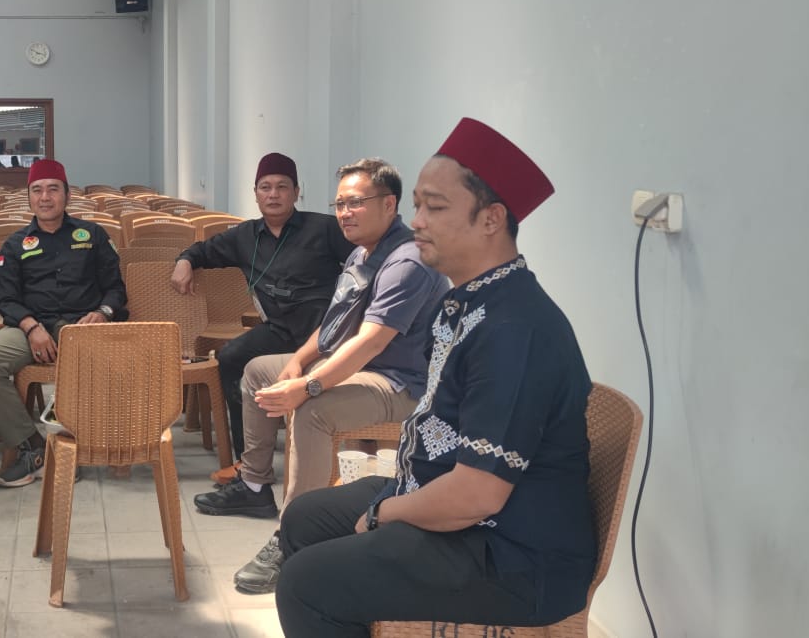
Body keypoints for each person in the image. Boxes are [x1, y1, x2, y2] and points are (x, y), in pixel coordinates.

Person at [275, 119, 596, 637]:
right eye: (418, 205)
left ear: (491, 219)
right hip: (447, 495)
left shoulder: (516, 329)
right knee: (304, 518)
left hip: (510, 552)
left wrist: (382, 515)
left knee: (305, 583)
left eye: (436, 207)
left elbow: (477, 496)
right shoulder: (468, 300)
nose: (417, 221)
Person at [193, 158, 447, 594]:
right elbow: (335, 325)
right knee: (258, 370)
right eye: (340, 204)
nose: (345, 213)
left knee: (314, 408)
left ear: (389, 204)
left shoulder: (407, 262)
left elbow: (369, 343)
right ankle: (254, 483)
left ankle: (293, 539)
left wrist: (308, 385)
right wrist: (298, 361)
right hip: (362, 368)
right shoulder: (361, 254)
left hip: (401, 384)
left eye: (355, 203)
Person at [171, 152, 354, 479]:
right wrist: (184, 261)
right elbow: (201, 251)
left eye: (282, 187)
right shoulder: (244, 236)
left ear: (296, 192)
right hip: (280, 330)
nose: (273, 194)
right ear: (255, 193)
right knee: (230, 358)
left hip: (325, 333)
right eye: (265, 187)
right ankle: (248, 460)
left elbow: (366, 259)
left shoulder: (325, 228)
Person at [0, 159, 125, 487]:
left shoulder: (93, 235)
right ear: (29, 197)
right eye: (37, 190)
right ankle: (33, 447)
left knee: (90, 359)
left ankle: (70, 448)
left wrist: (103, 313)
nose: (45, 197)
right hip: (31, 328)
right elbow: (6, 299)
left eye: (53, 189)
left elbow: (116, 290)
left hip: (83, 328)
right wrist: (31, 327)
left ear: (67, 195)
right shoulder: (15, 244)